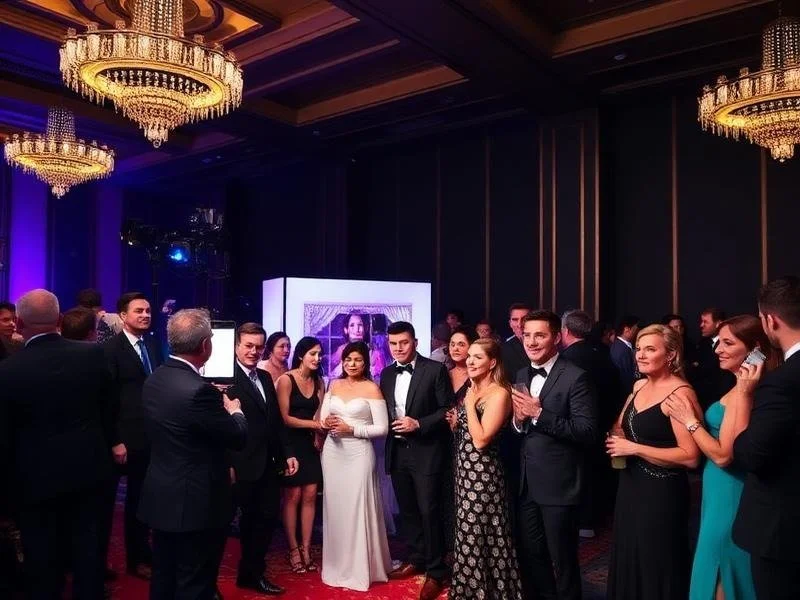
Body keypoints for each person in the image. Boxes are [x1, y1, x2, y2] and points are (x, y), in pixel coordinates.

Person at [0, 289, 114, 600]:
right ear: (60, 319)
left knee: (42, 559)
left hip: (34, 479)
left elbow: (5, 436)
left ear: (20, 322)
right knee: (88, 554)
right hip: (89, 471)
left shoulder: (8, 370)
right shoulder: (94, 355)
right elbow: (109, 412)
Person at [137, 309, 248, 600]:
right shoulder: (201, 392)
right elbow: (237, 436)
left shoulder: (155, 378)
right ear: (204, 346)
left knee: (164, 575)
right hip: (196, 502)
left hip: (162, 493)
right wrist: (234, 411)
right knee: (195, 581)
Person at [666, 316, 777, 600]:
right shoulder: (743, 385)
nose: (718, 349)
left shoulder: (744, 392)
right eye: (719, 342)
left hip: (730, 494)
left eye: (728, 343)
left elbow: (724, 455)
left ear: (755, 348)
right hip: (719, 492)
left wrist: (690, 421)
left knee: (720, 569)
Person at [605, 324, 702, 600]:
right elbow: (621, 426)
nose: (640, 355)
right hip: (630, 486)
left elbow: (691, 456)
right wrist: (618, 436)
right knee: (629, 556)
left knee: (655, 563)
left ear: (670, 355)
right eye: (638, 349)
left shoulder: (680, 393)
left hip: (662, 493)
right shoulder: (638, 386)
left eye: (650, 349)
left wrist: (633, 447)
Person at [511, 310, 597, 600]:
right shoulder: (522, 374)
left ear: (557, 337)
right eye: (527, 335)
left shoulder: (576, 377)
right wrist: (519, 420)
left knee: (563, 559)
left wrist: (538, 414)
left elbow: (586, 431)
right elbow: (522, 427)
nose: (532, 342)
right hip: (527, 483)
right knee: (532, 554)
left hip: (560, 485)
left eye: (540, 335)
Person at [732, 277, 800, 600]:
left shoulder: (782, 382)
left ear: (770, 320)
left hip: (784, 532)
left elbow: (750, 455)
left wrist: (745, 397)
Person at [380, 321, 453, 600]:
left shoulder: (434, 370)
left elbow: (447, 410)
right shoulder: (386, 374)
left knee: (428, 511)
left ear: (416, 342)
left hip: (427, 452)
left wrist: (418, 424)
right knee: (407, 510)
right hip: (398, 452)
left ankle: (436, 571)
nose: (398, 348)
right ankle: (417, 557)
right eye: (393, 344)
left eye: (404, 343)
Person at [447, 338, 523, 599]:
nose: (469, 361)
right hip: (464, 472)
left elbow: (481, 441)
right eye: (469, 356)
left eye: (477, 357)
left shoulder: (500, 393)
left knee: (483, 535)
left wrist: (467, 404)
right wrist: (458, 423)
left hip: (484, 474)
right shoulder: (475, 389)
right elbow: (471, 433)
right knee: (467, 535)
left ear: (492, 363)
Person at [227, 323, 298, 596]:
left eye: (258, 347)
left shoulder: (266, 377)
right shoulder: (224, 379)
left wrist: (288, 453)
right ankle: (207, 581)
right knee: (221, 524)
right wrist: (227, 464)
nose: (254, 352)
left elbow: (276, 423)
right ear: (236, 346)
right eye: (248, 346)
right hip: (237, 465)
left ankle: (252, 573)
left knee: (265, 521)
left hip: (267, 465)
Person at [319, 341, 392, 591]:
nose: (352, 364)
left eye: (357, 360)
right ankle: (338, 564)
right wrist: (326, 421)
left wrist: (353, 429)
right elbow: (322, 418)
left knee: (358, 508)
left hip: (359, 454)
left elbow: (382, 428)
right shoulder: (334, 384)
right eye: (348, 359)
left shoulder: (372, 388)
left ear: (366, 362)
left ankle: (362, 568)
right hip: (332, 453)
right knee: (336, 509)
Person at [102, 292, 163, 580]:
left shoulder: (152, 343)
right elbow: (106, 398)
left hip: (150, 433)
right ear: (123, 316)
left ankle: (140, 555)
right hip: (123, 437)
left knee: (143, 498)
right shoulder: (110, 349)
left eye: (149, 310)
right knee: (110, 503)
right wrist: (115, 439)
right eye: (139, 311)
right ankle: (105, 562)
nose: (146, 315)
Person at [275, 337, 325, 574]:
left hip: (310, 444)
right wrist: (314, 426)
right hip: (290, 445)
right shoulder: (286, 380)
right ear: (300, 355)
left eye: (319, 354)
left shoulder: (320, 381)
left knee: (310, 496)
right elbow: (283, 418)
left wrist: (319, 433)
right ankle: (293, 548)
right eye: (313, 354)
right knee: (292, 497)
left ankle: (306, 548)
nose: (317, 358)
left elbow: (319, 414)